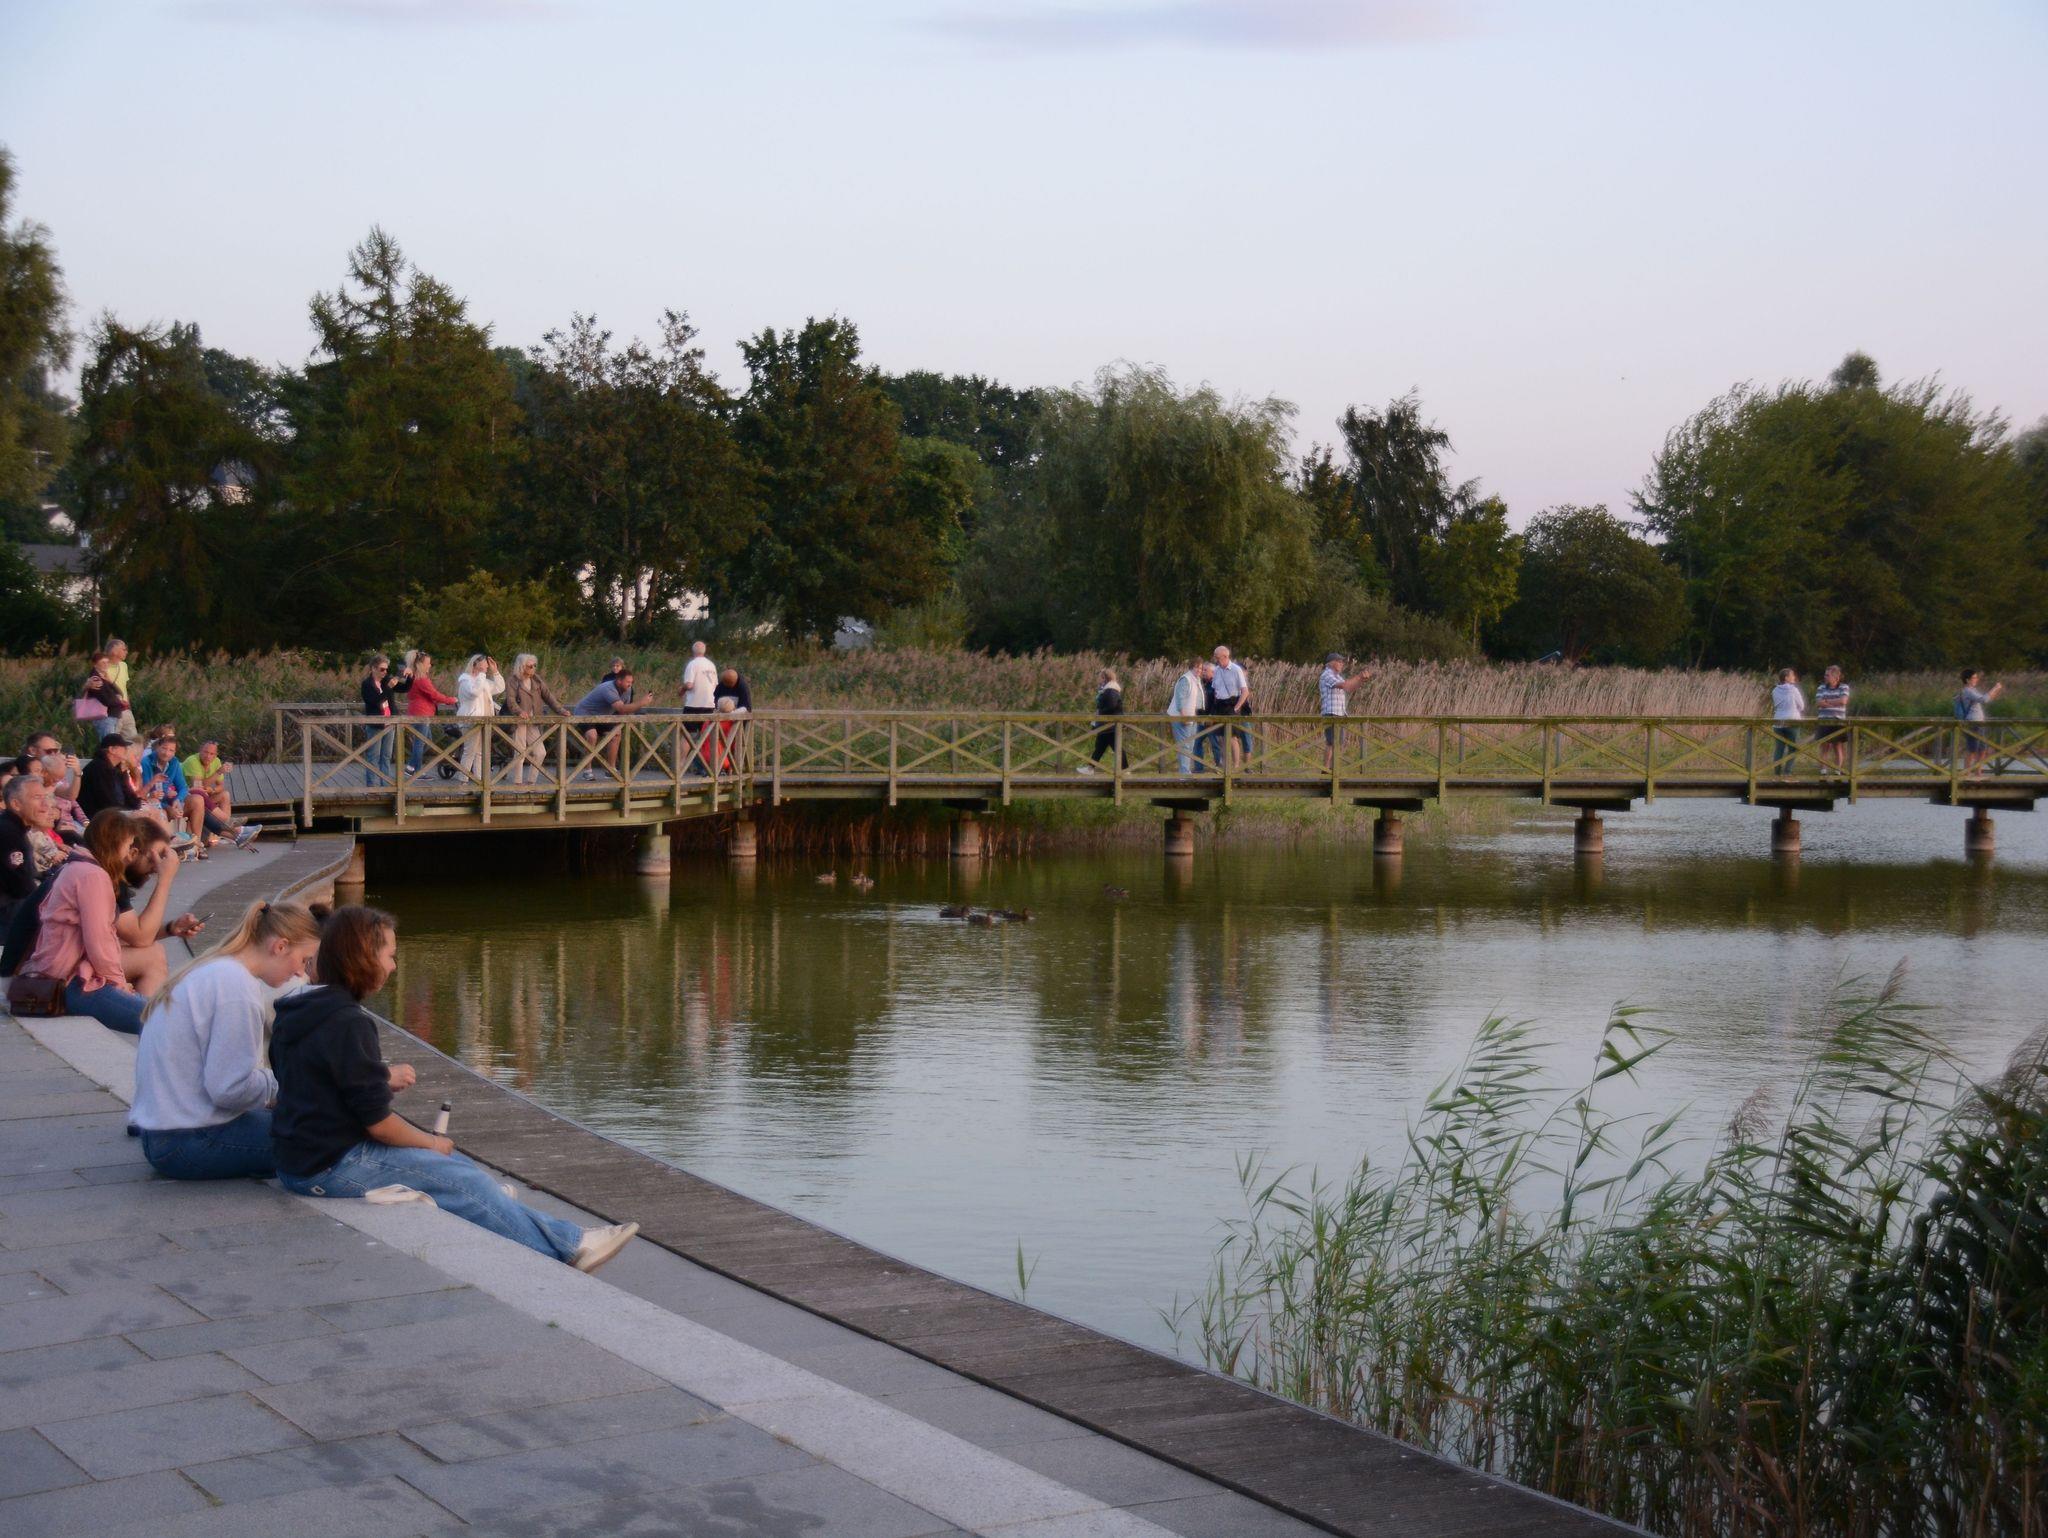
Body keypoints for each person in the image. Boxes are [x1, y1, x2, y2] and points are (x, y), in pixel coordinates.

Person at [271, 905, 639, 1272]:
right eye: (390, 956)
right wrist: (431, 1143)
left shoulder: (300, 1010)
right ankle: (567, 1247)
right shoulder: (348, 1022)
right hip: (329, 1164)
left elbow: (316, 1082)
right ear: (364, 959)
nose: (394, 966)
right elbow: (379, 1124)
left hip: (300, 1157)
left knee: (457, 1169)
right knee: (457, 1176)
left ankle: (500, 1209)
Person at [130, 899, 323, 1181]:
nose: (301, 973)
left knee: (310, 1121)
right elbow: (229, 1089)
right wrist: (291, 1085)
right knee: (330, 1137)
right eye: (304, 960)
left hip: (163, 1133)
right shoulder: (236, 988)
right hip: (189, 1142)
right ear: (280, 946)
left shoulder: (217, 968)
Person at [17, 810, 149, 1033]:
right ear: (114, 843)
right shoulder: (92, 876)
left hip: (59, 975)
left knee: (160, 1013)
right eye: (128, 845)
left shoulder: (76, 866)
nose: (129, 853)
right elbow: (98, 942)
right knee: (159, 1020)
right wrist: (118, 984)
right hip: (70, 984)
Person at [114, 818, 204, 995]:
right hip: (65, 970)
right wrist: (165, 879)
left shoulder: (112, 874)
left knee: (152, 951)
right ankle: (148, 1012)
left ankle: (147, 1010)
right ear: (133, 852)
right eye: (152, 859)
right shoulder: (111, 878)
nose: (157, 867)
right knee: (153, 958)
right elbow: (140, 938)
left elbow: (129, 933)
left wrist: (171, 928)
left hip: (69, 960)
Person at [572, 667, 655, 777]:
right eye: (628, 682)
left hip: (603, 716)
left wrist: (623, 722)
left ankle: (611, 769)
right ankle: (587, 770)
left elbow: (624, 710)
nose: (630, 685)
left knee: (616, 734)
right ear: (619, 681)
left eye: (631, 682)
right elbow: (621, 708)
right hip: (585, 713)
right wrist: (642, 703)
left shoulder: (628, 690)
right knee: (592, 735)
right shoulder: (608, 688)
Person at [182, 738, 257, 849]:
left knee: (224, 795)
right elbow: (198, 786)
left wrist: (212, 790)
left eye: (211, 754)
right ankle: (232, 828)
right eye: (205, 752)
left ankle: (231, 830)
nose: (208, 756)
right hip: (188, 798)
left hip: (203, 796)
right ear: (200, 751)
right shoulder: (192, 761)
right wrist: (218, 772)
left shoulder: (216, 761)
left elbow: (220, 786)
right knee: (200, 797)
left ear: (216, 755)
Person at [506, 654, 566, 786]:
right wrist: (519, 711)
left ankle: (531, 781)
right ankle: (517, 782)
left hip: (534, 721)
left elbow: (549, 697)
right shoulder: (513, 680)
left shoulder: (537, 680)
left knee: (540, 752)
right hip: (519, 721)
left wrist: (561, 711)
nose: (533, 668)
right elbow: (510, 700)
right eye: (530, 666)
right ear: (522, 666)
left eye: (534, 665)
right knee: (520, 751)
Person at [0, 774, 51, 927]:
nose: (45, 805)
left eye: (45, 797)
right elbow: (20, 885)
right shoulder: (8, 833)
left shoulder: (14, 828)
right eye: (37, 797)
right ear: (16, 804)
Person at [403, 651, 458, 775]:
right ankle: (416, 770)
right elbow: (434, 694)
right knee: (421, 743)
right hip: (421, 714)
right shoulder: (421, 679)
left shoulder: (415, 677)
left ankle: (411, 767)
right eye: (428, 663)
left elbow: (429, 695)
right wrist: (451, 700)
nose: (430, 665)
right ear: (421, 664)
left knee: (425, 741)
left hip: (418, 712)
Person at [1319, 652, 1376, 769]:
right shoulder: (1327, 674)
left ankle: (1333, 770)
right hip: (1331, 713)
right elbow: (1345, 685)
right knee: (1331, 743)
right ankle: (1326, 771)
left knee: (1338, 743)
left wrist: (1361, 680)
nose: (1342, 664)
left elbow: (1350, 688)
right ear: (1331, 663)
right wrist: (1359, 676)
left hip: (1339, 714)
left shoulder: (1337, 676)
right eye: (1339, 662)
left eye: (1342, 662)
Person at [454, 654, 505, 782]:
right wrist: (482, 674)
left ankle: (479, 782)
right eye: (484, 663)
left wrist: (495, 672)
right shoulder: (466, 681)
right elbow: (474, 692)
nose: (487, 666)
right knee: (469, 752)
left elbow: (500, 687)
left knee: (479, 753)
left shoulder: (483, 681)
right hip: (471, 721)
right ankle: (463, 782)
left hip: (485, 721)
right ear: (475, 664)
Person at [79, 734, 145, 820]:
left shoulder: (117, 769)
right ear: (112, 750)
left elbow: (130, 798)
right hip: (99, 817)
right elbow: (107, 801)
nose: (126, 749)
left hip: (115, 813)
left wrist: (136, 807)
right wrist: (129, 812)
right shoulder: (98, 768)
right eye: (123, 746)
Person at [1209, 646, 1252, 769]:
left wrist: (1236, 708)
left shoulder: (1236, 670)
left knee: (1233, 738)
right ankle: (1224, 767)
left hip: (1232, 704)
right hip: (1220, 705)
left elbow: (1245, 691)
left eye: (1217, 657)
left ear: (1225, 656)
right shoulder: (1216, 670)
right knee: (1221, 738)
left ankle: (1236, 767)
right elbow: (1215, 689)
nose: (1216, 660)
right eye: (1215, 657)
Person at [1956, 669, 2004, 777]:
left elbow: (1987, 699)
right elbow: (1984, 700)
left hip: (1979, 722)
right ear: (1967, 680)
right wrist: (1995, 688)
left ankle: (1978, 772)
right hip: (1972, 722)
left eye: (1976, 677)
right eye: (1974, 678)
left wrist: (1996, 690)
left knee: (1982, 749)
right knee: (1972, 749)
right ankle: (1967, 772)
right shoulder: (1967, 691)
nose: (1976, 679)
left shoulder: (1973, 690)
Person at [360, 655, 398, 786]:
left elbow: (404, 688)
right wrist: (388, 688)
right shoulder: (367, 684)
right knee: (373, 757)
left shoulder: (386, 681)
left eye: (386, 669)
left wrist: (410, 676)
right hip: (375, 724)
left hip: (389, 723)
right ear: (373, 669)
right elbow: (374, 701)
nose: (385, 672)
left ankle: (385, 786)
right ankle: (372, 787)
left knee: (386, 757)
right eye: (382, 669)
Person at [1079, 669, 1124, 773]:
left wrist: (1100, 712)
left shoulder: (1111, 690)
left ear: (1105, 678)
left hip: (1110, 724)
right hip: (1107, 724)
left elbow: (1112, 706)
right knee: (1101, 747)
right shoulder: (1107, 689)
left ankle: (1125, 769)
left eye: (1100, 677)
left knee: (1115, 748)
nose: (1099, 679)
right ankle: (1090, 768)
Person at [78, 652, 129, 743]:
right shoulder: (96, 679)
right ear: (95, 665)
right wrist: (119, 701)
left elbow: (119, 692)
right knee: (108, 744)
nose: (106, 665)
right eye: (103, 663)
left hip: (110, 717)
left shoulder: (104, 678)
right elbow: (106, 700)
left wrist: (109, 680)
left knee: (111, 743)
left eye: (107, 662)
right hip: (105, 718)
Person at [1167, 659, 1206, 774]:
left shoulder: (1196, 680)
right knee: (1184, 745)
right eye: (1197, 667)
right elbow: (1180, 699)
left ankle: (1186, 770)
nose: (1199, 670)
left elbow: (1195, 701)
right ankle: (1184, 773)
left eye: (1201, 668)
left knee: (1190, 745)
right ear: (1191, 667)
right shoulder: (1186, 679)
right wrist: (1184, 716)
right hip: (1181, 716)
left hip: (1191, 716)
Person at [1813, 665, 1851, 774]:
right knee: (1824, 747)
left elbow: (1843, 701)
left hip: (1838, 721)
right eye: (1825, 675)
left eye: (1827, 675)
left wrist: (1827, 702)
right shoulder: (1821, 688)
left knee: (1837, 746)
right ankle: (1823, 771)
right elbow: (1819, 703)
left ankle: (1837, 770)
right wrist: (1835, 702)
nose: (1825, 677)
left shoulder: (1844, 687)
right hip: (1824, 720)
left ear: (1836, 677)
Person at [1770, 668, 1805, 773]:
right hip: (1792, 721)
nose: (1794, 677)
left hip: (1778, 722)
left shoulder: (1775, 690)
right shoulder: (1793, 690)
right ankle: (1787, 772)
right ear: (1786, 678)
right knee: (1793, 748)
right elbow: (1801, 706)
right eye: (1792, 675)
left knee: (1779, 749)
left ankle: (1777, 773)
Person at [104, 638, 138, 740]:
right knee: (112, 741)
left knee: (132, 741)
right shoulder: (102, 667)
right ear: (114, 651)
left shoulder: (123, 666)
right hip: (111, 711)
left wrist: (129, 708)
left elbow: (124, 688)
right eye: (124, 649)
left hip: (126, 710)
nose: (126, 652)